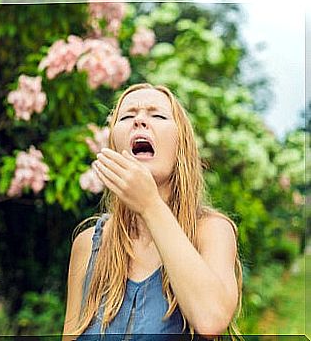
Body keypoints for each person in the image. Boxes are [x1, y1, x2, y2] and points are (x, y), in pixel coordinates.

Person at [62, 83, 243, 341]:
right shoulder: (88, 245)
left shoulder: (211, 231)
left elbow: (211, 319)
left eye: (157, 115)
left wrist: (150, 205)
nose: (139, 121)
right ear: (114, 145)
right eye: (127, 116)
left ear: (181, 145)